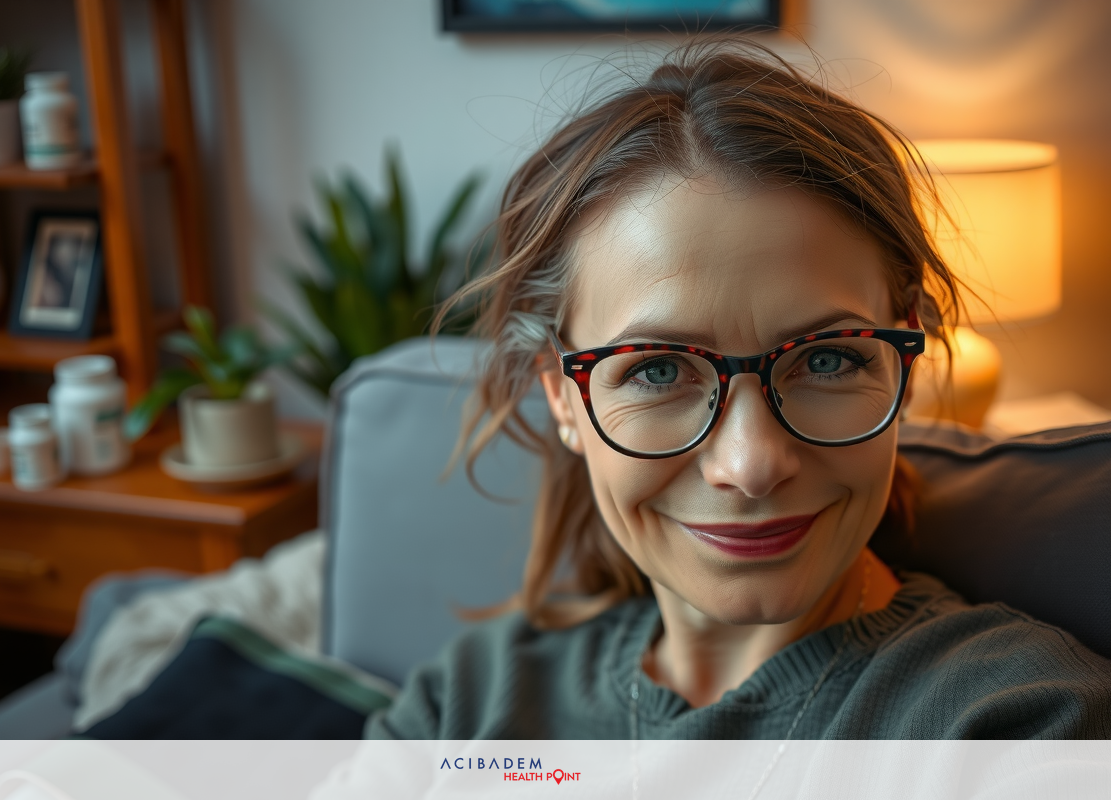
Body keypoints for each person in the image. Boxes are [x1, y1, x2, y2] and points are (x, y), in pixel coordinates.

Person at [364, 40, 1111, 739]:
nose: (752, 465)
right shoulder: (466, 705)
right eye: (657, 370)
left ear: (903, 361)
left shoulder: (1016, 722)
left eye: (826, 360)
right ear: (563, 396)